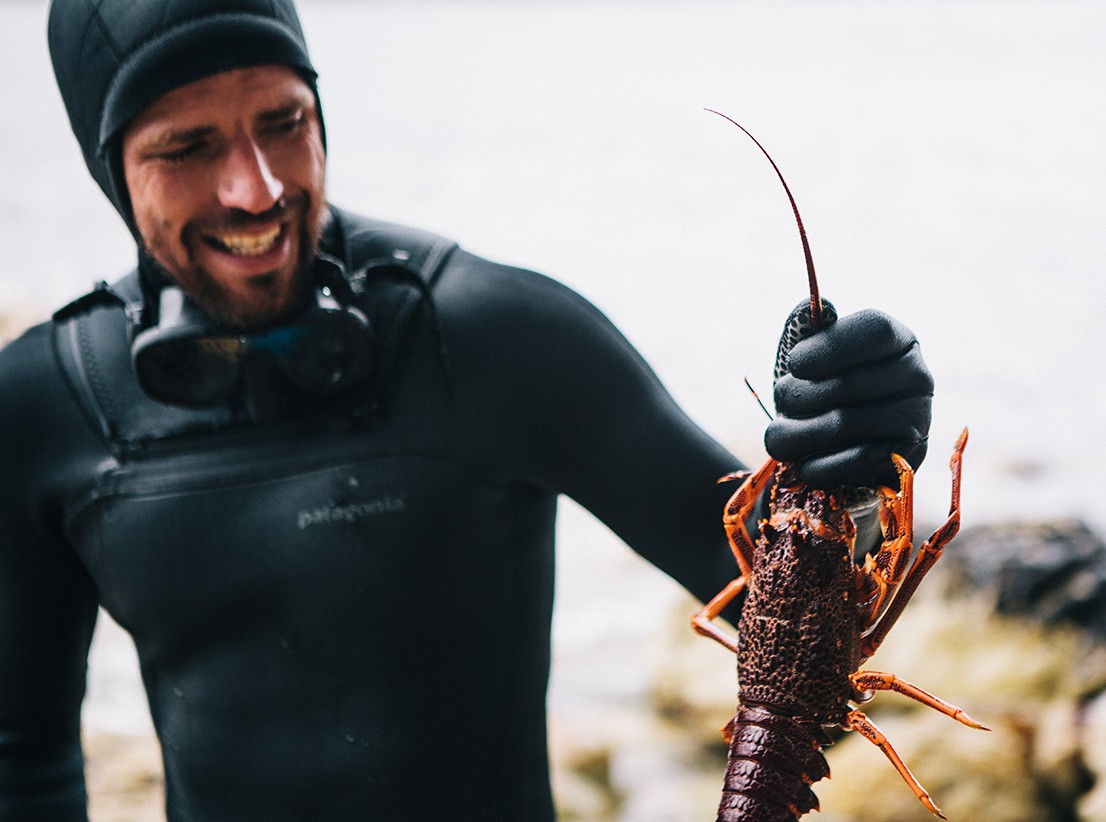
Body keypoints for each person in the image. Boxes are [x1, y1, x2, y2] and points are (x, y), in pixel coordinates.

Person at [0, 0, 933, 818]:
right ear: (109, 169)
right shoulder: (43, 407)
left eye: (284, 121)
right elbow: (21, 756)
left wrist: (857, 460)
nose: (257, 187)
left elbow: (785, 613)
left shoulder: (496, 337)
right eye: (188, 146)